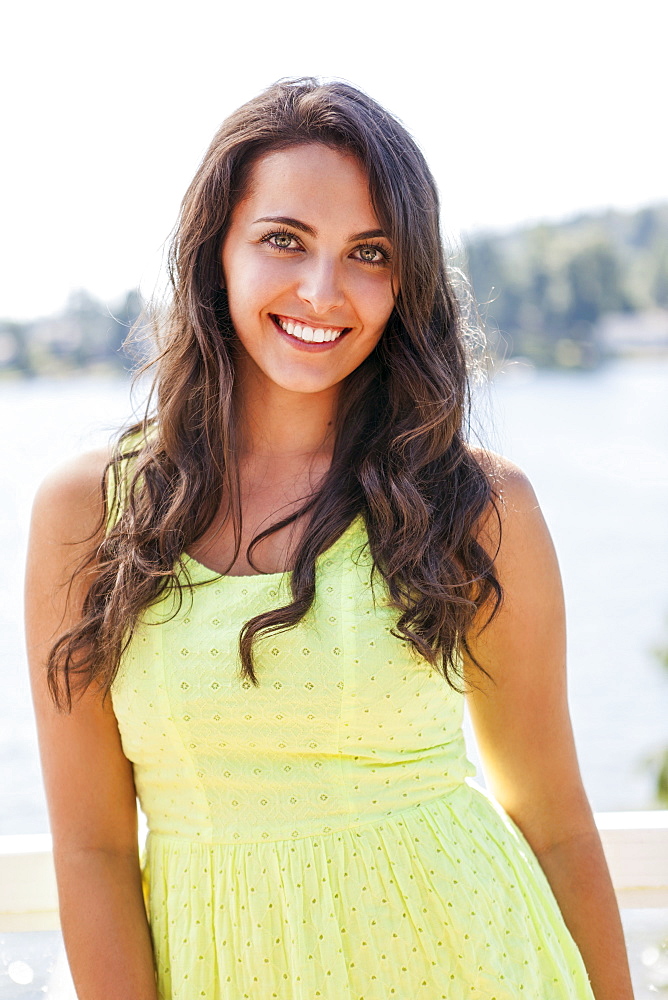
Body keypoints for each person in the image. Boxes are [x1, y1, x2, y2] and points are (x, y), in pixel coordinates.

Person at [26, 78, 633, 1000]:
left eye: (369, 253)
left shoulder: (473, 504)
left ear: (406, 281)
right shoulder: (90, 513)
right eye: (284, 239)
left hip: (474, 962)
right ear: (214, 254)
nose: (323, 290)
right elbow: (93, 850)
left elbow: (552, 820)